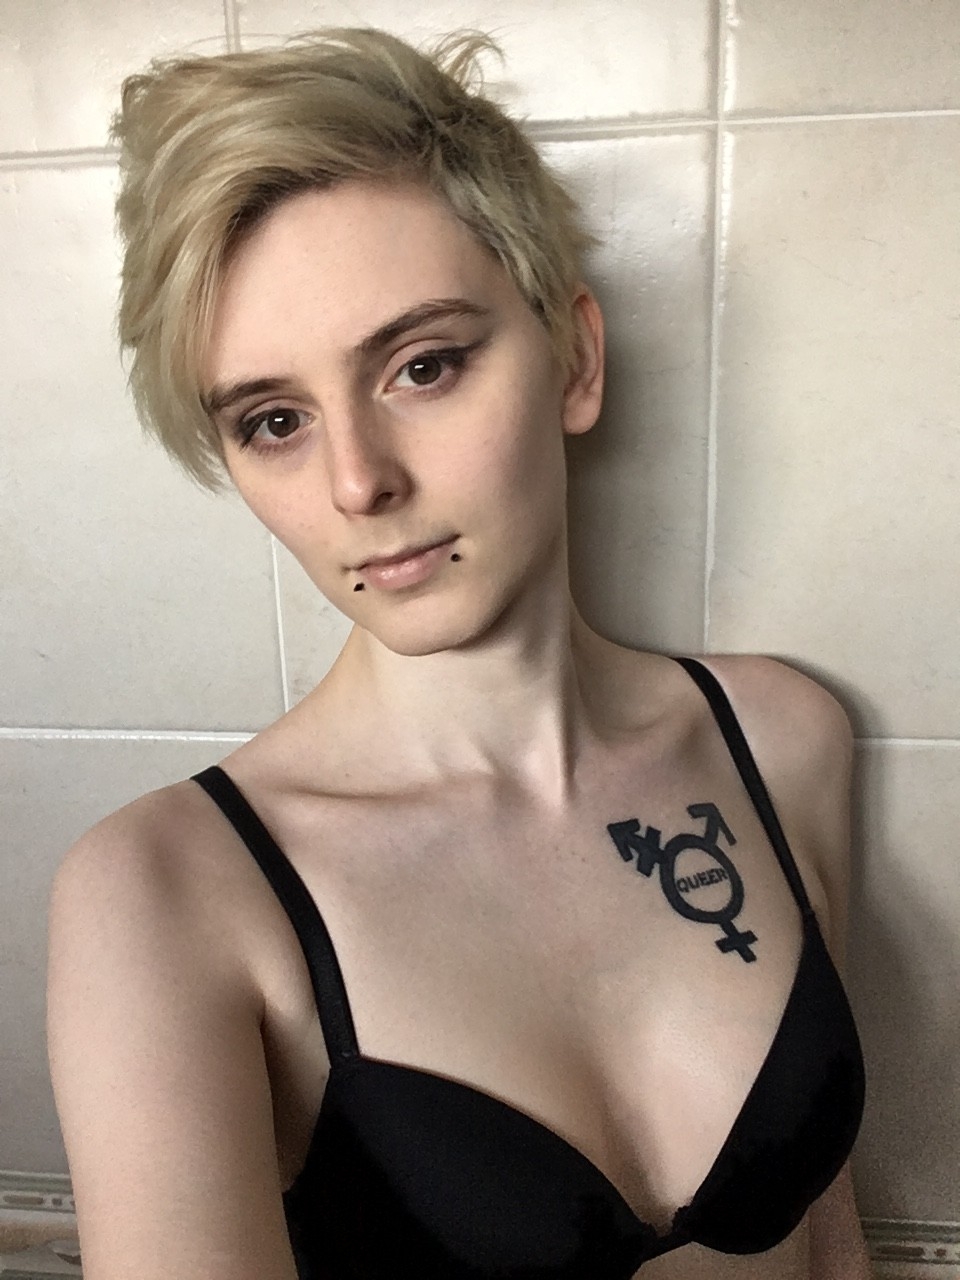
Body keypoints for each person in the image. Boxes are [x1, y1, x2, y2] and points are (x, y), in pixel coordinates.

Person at [46, 27, 870, 1280]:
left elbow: (829, 1229)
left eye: (422, 366)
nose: (359, 481)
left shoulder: (781, 739)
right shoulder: (169, 897)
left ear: (575, 359)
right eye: (275, 420)